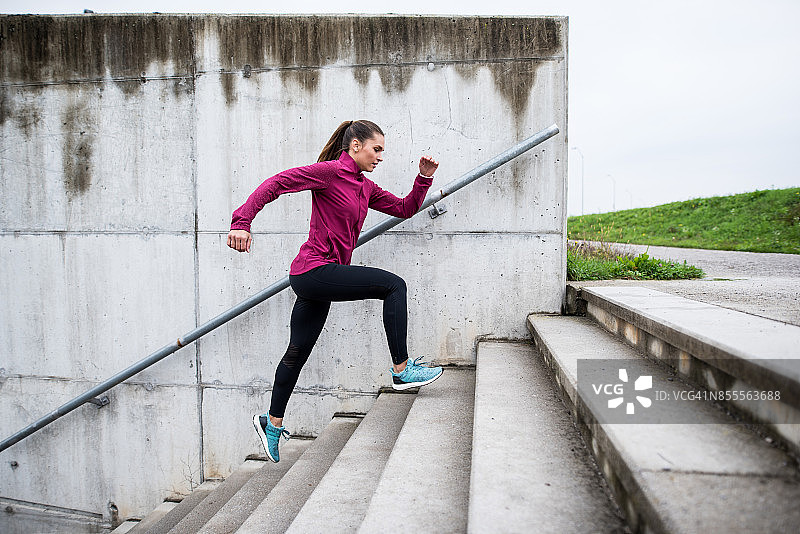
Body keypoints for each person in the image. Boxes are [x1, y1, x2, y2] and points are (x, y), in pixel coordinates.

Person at [227, 120, 444, 462]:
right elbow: (276, 183)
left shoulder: (364, 187)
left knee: (296, 353)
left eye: (382, 151)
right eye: (377, 149)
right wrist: (242, 222)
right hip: (314, 269)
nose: (380, 157)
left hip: (318, 280)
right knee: (394, 285)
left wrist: (424, 179)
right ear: (355, 146)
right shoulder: (328, 173)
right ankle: (402, 370)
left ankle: (270, 421)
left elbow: (404, 209)